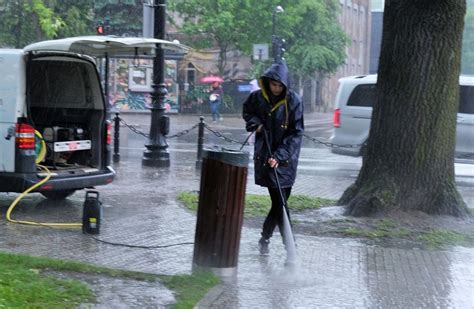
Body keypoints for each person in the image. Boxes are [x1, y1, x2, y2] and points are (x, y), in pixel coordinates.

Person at [242, 62, 304, 255]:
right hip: (266, 157)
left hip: (286, 160)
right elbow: (248, 112)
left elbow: (296, 133)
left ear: (285, 85)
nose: (276, 89)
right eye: (273, 84)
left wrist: (280, 156)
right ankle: (290, 248)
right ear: (268, 83)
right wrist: (256, 124)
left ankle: (264, 239)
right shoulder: (258, 97)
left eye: (280, 85)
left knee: (279, 204)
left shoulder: (294, 101)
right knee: (280, 205)